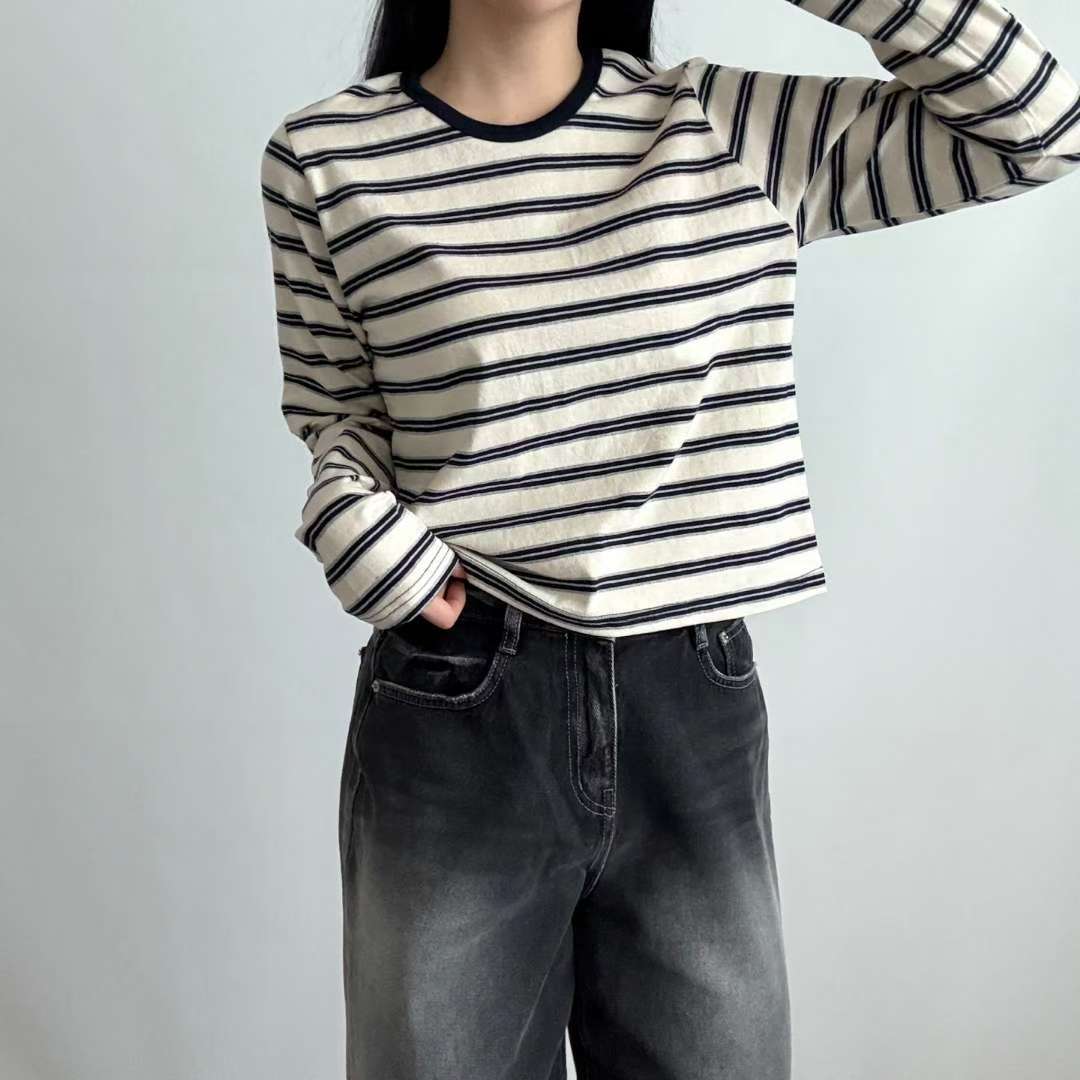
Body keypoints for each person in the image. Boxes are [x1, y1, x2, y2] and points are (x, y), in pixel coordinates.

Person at [258, 1, 1080, 1076]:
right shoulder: (325, 156)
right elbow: (338, 412)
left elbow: (1040, 129)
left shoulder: (725, 126)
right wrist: (357, 528)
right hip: (455, 703)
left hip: (690, 697)